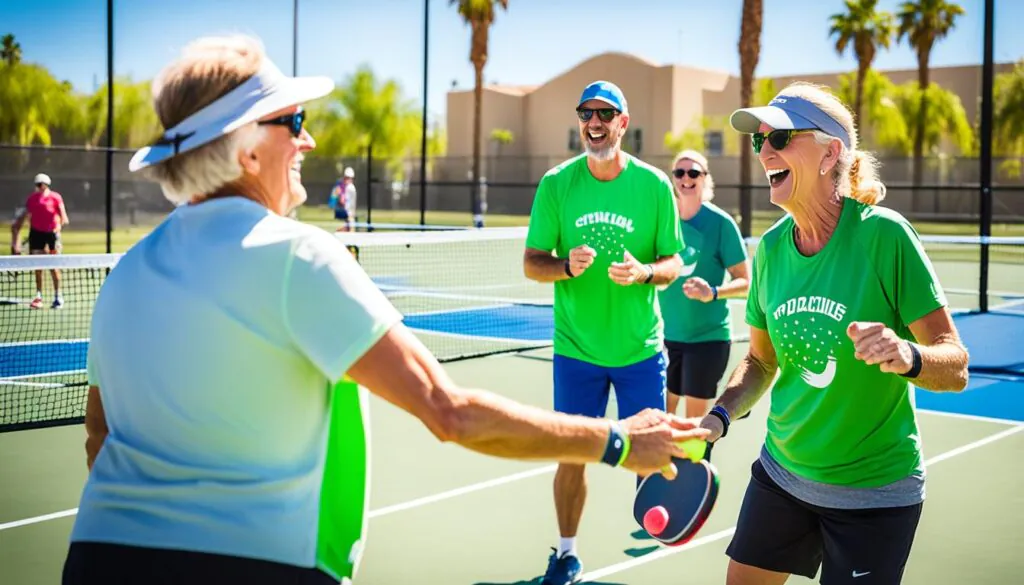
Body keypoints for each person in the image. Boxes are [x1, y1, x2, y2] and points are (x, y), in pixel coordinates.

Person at [61, 35, 708, 585]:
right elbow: (450, 412)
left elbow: (99, 438)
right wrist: (621, 442)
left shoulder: (124, 272)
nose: (308, 140)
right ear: (246, 150)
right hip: (256, 563)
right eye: (293, 121)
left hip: (95, 559)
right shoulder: (300, 257)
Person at [698, 82, 969, 585]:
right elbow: (760, 362)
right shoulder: (773, 250)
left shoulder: (884, 236)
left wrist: (907, 354)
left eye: (779, 137)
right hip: (781, 476)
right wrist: (717, 417)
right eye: (760, 142)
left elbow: (955, 366)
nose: (765, 152)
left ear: (831, 154)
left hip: (874, 496)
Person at [523, 80, 684, 585]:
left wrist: (645, 273)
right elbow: (532, 263)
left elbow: (673, 262)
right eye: (586, 114)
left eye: (605, 113)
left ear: (622, 122)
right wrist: (565, 267)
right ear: (580, 123)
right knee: (573, 455)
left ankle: (659, 544)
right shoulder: (556, 184)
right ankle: (566, 553)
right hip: (577, 352)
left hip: (639, 350)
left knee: (650, 457)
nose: (595, 122)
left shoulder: (655, 185)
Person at [659, 150, 749, 418]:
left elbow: (746, 282)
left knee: (693, 428)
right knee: (662, 419)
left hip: (707, 340)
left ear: (705, 179)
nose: (686, 178)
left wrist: (711, 292)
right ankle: (667, 463)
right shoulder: (664, 221)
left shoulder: (721, 224)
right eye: (680, 172)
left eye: (694, 172)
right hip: (666, 339)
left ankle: (696, 462)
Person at [10, 173, 69, 309]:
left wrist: (57, 230)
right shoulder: (32, 199)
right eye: (37, 185)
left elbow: (64, 218)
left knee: (54, 266)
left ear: (46, 184)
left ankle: (57, 297)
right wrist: (16, 232)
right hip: (36, 234)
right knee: (38, 266)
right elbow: (25, 217)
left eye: (41, 184)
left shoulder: (56, 197)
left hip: (52, 235)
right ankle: (39, 296)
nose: (39, 187)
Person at [330, 166, 357, 231]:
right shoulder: (339, 185)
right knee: (349, 228)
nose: (347, 180)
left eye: (349, 178)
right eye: (346, 178)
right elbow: (335, 199)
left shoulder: (351, 188)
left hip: (348, 212)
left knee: (350, 228)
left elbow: (350, 202)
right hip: (342, 212)